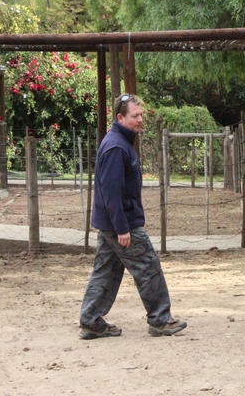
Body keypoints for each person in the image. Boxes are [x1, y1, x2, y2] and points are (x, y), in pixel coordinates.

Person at [79, 94, 187, 340]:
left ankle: (90, 320)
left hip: (113, 224)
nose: (140, 120)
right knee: (148, 265)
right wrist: (122, 228)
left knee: (106, 271)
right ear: (120, 117)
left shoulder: (120, 142)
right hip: (122, 225)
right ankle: (160, 319)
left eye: (141, 115)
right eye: (135, 116)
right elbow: (111, 193)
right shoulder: (117, 146)